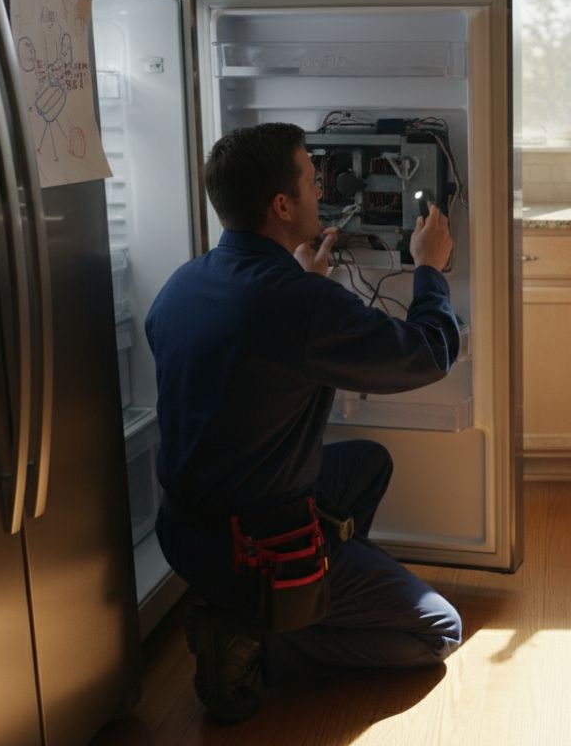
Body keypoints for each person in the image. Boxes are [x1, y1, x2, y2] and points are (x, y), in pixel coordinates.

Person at [146, 122, 463, 723]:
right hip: (252, 549)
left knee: (367, 465)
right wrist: (430, 269)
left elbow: (246, 359)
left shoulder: (184, 282)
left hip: (184, 529)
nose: (324, 194)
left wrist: (302, 283)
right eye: (313, 184)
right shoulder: (297, 304)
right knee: (439, 631)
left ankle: (305, 601)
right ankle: (260, 643)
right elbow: (426, 353)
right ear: (282, 205)